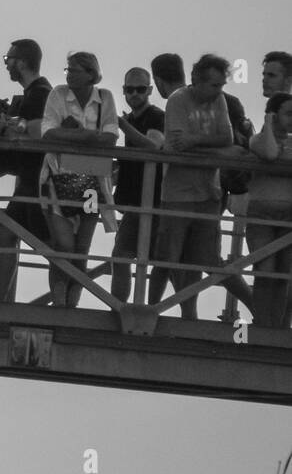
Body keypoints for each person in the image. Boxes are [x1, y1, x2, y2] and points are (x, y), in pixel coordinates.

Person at [154, 54, 236, 319]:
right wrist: (214, 147)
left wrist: (195, 140)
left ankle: (192, 316)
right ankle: (147, 310)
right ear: (197, 81)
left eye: (221, 85)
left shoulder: (219, 99)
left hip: (208, 193)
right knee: (166, 259)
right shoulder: (178, 100)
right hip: (178, 194)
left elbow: (227, 137)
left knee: (207, 262)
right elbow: (179, 145)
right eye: (214, 85)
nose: (219, 91)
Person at [38, 52, 119, 309]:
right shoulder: (58, 94)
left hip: (92, 180)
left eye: (74, 70)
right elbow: (48, 132)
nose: (69, 74)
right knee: (63, 246)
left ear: (90, 74)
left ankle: (70, 306)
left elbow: (110, 137)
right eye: (68, 70)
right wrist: (88, 137)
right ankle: (60, 302)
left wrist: (72, 134)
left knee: (81, 249)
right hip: (58, 175)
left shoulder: (105, 98)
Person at [0, 39, 51, 302]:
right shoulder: (34, 92)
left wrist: (7, 123)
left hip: (39, 181)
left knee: (51, 247)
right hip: (29, 179)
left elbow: (38, 131)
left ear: (22, 62)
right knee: (6, 232)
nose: (7, 65)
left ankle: (63, 301)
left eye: (8, 60)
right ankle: (0, 300)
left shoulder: (39, 94)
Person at [110, 67, 166, 301]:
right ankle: (123, 308)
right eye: (129, 89)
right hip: (136, 202)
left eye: (140, 89)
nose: (134, 94)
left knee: (153, 260)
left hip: (153, 202)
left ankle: (141, 309)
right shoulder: (133, 119)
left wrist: (122, 125)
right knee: (125, 256)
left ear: (150, 90)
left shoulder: (156, 116)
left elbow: (153, 146)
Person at [247, 93, 292, 328]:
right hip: (261, 216)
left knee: (284, 273)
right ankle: (263, 323)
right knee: (265, 270)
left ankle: (280, 326)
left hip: (288, 218)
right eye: (288, 114)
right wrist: (268, 124)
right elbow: (270, 154)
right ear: (274, 114)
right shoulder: (257, 140)